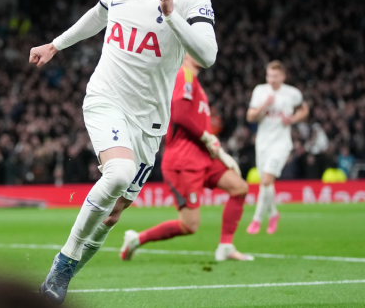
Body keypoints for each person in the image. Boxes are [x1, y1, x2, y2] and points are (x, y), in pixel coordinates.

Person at [29, 0, 217, 304]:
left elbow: (207, 54)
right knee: (116, 176)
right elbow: (100, 14)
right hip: (105, 96)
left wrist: (171, 14)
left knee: (113, 214)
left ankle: (60, 279)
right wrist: (56, 44)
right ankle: (60, 270)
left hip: (150, 120)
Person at [119, 54, 252, 262]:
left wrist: (217, 150)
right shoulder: (184, 74)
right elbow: (180, 114)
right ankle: (136, 239)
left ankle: (226, 246)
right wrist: (207, 137)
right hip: (184, 160)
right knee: (189, 225)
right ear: (185, 53)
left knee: (239, 187)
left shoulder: (194, 81)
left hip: (203, 156)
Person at [246, 61, 308, 235]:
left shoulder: (292, 93)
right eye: (269, 75)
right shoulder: (260, 91)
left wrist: (294, 119)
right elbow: (250, 116)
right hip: (263, 143)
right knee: (266, 184)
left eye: (275, 76)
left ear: (283, 76)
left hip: (281, 144)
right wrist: (265, 105)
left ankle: (256, 220)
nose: (271, 79)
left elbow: (304, 109)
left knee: (266, 181)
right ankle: (273, 214)